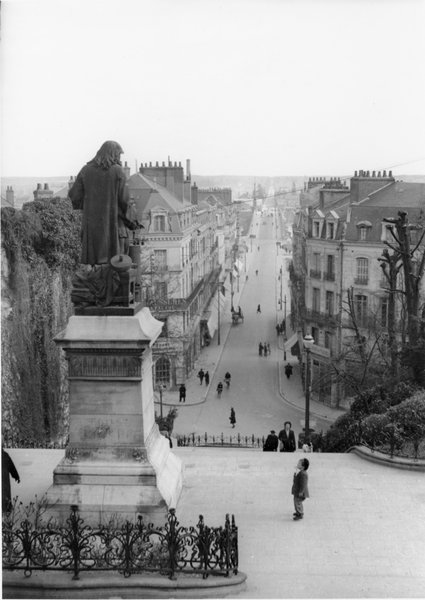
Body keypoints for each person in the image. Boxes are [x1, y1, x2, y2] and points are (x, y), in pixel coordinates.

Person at [69, 140, 134, 265]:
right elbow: (124, 202)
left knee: (93, 268)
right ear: (113, 154)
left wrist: (90, 205)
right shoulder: (118, 171)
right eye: (118, 155)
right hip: (113, 229)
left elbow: (74, 197)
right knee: (115, 266)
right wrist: (132, 222)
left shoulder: (86, 170)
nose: (119, 159)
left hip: (91, 230)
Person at [2, 449, 20, 513]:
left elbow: (11, 466)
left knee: (5, 494)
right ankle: (7, 508)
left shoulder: (4, 455)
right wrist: (16, 476)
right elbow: (11, 466)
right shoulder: (4, 455)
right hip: (4, 480)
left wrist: (16, 476)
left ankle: (7, 508)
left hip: (4, 480)